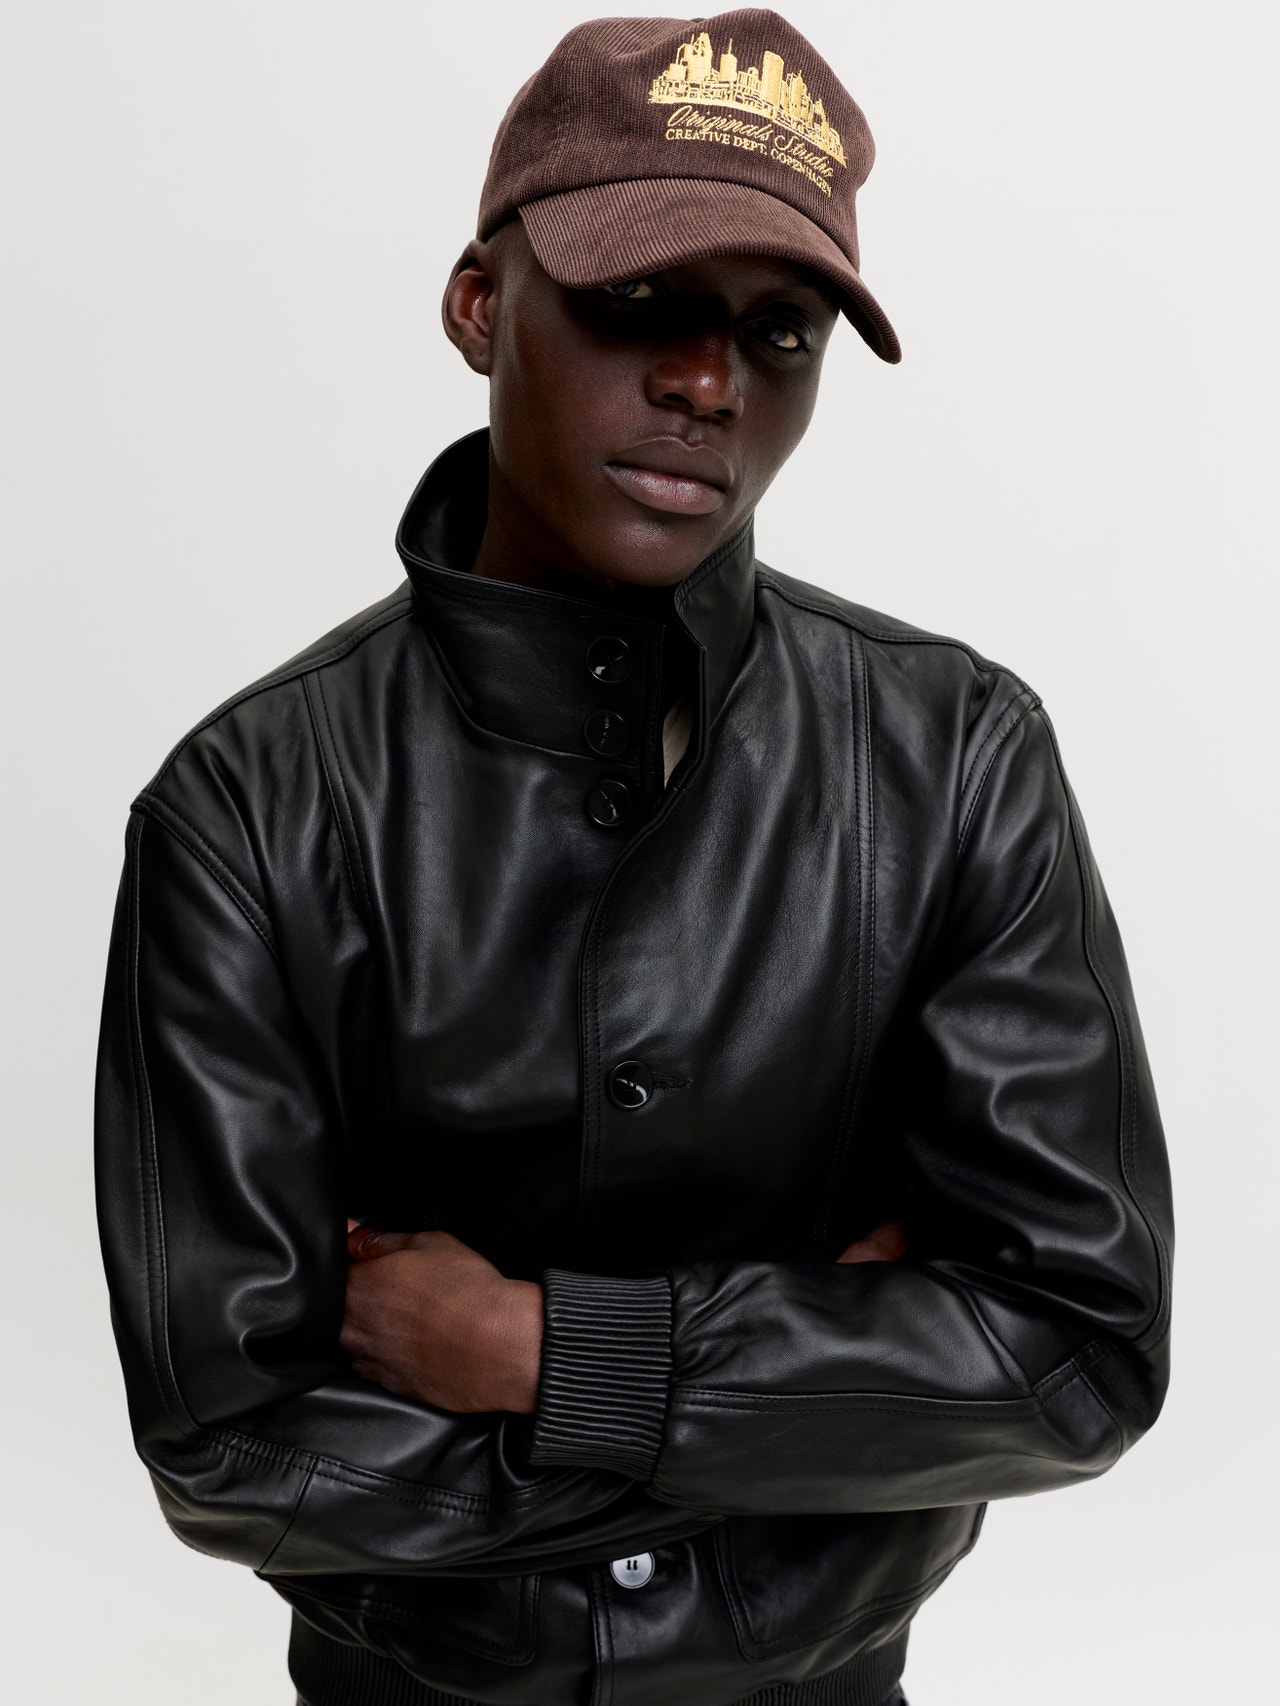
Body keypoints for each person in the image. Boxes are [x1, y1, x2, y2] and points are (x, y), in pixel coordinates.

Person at [94, 11, 1173, 1706]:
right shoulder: (248, 806)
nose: (708, 383)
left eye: (778, 331)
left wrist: (540, 1351)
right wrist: (827, 1398)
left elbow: (1078, 1355)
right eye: (638, 300)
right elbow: (232, 1448)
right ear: (479, 304)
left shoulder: (957, 755)